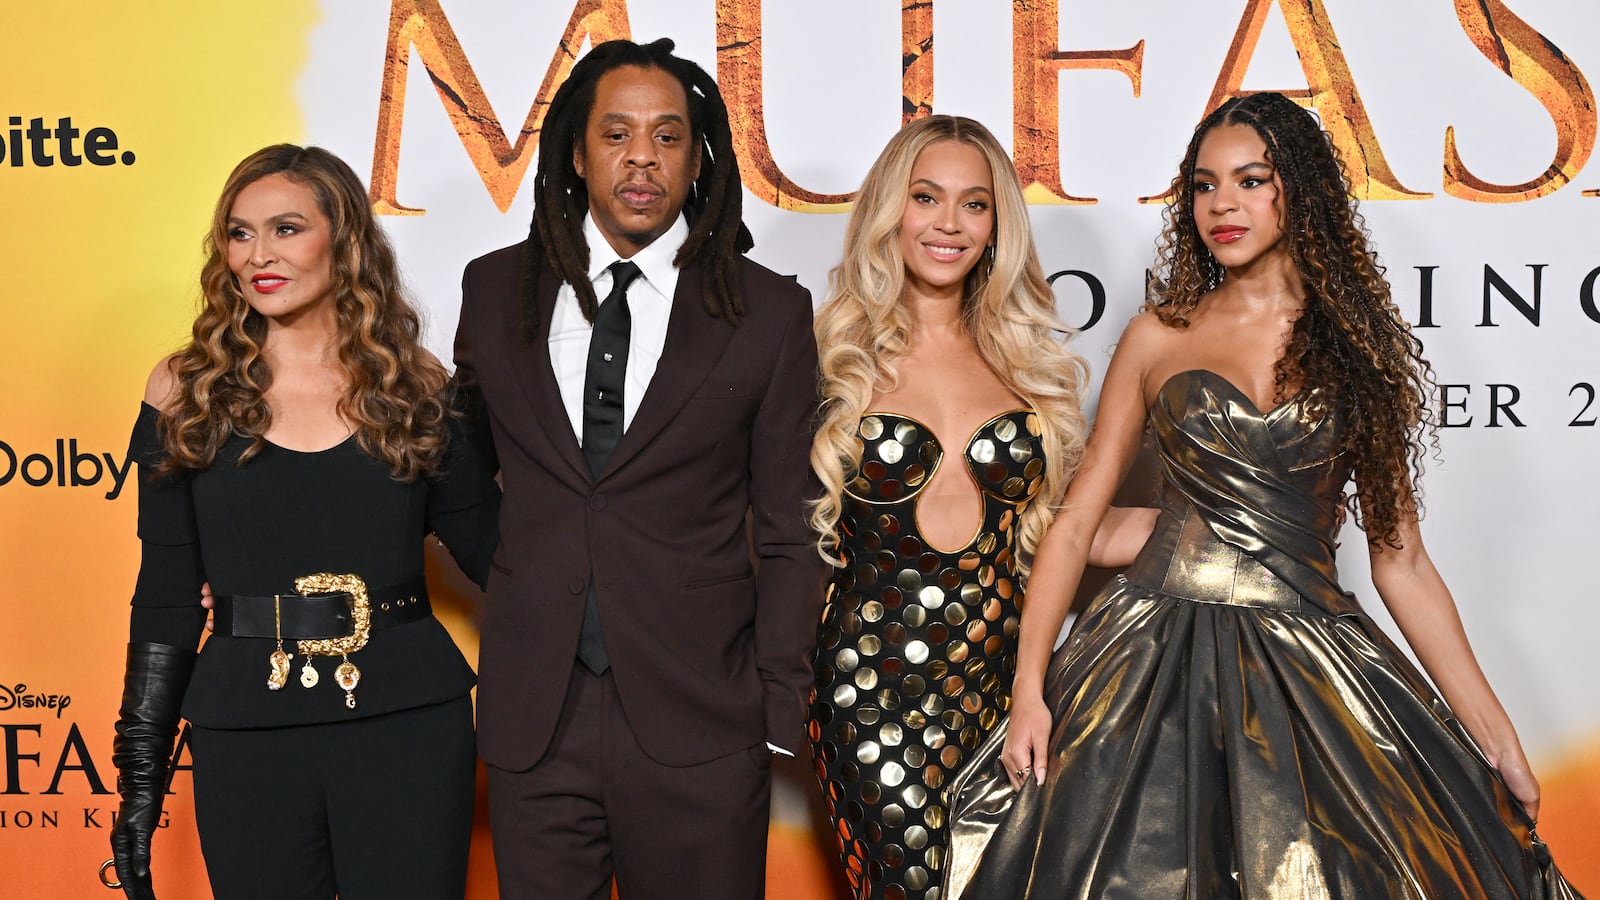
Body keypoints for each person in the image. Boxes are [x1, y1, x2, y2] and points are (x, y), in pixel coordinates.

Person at [956, 91, 1585, 898]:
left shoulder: (1359, 352)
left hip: (1311, 664)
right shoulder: (1158, 336)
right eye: (1205, 185)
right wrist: (1028, 690)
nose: (1223, 204)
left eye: (1251, 180)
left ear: (1302, 191)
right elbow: (1076, 522)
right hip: (1151, 659)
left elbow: (1405, 565)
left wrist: (1498, 739)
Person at [452, 38, 825, 899]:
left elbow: (790, 524)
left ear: (698, 159)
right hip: (534, 717)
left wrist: (776, 701)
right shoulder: (493, 290)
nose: (640, 160)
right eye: (616, 134)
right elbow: (459, 477)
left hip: (702, 713)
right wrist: (531, 576)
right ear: (577, 154)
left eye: (666, 137)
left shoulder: (766, 311)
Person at [106, 145, 500, 900]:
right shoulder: (183, 390)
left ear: (343, 240)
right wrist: (141, 782)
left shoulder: (416, 386)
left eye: (287, 229)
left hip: (409, 723)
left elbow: (499, 552)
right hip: (246, 728)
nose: (259, 255)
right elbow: (163, 595)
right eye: (240, 232)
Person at [806, 115, 1155, 900]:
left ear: (998, 224)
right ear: (890, 210)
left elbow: (1071, 531)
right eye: (926, 197)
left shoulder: (1027, 363)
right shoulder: (828, 358)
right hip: (870, 691)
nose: (949, 224)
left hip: (1005, 694)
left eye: (975, 204)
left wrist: (1222, 527)